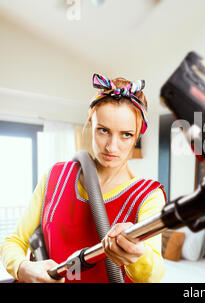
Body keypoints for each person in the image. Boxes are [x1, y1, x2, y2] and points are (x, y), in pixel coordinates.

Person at [0, 74, 166, 283]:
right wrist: (23, 268)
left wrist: (137, 255)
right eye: (103, 130)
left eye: (126, 134)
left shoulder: (148, 196)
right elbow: (13, 241)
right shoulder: (55, 177)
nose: (112, 147)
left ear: (137, 135)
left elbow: (154, 275)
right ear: (91, 123)